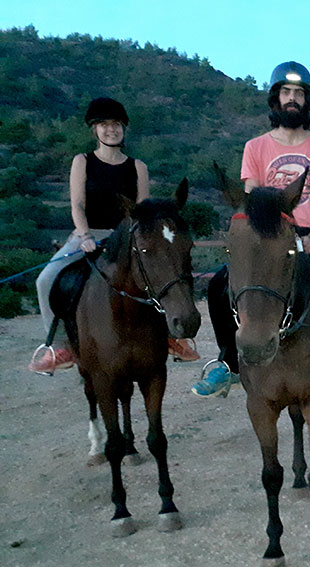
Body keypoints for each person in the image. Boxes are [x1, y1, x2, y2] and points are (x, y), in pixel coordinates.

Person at [191, 61, 310, 397]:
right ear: (275, 99)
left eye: (299, 93)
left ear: (307, 101)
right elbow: (249, 201)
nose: (292, 98)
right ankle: (228, 363)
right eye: (286, 92)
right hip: (270, 234)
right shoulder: (256, 147)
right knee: (220, 286)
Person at [29, 97, 199, 374]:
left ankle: (173, 338)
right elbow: (77, 204)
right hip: (89, 234)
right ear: (94, 130)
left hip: (127, 238)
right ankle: (60, 347)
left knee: (158, 273)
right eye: (104, 125)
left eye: (116, 124)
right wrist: (84, 236)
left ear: (124, 128)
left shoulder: (138, 167)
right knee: (45, 279)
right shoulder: (82, 162)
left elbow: (144, 213)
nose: (111, 130)